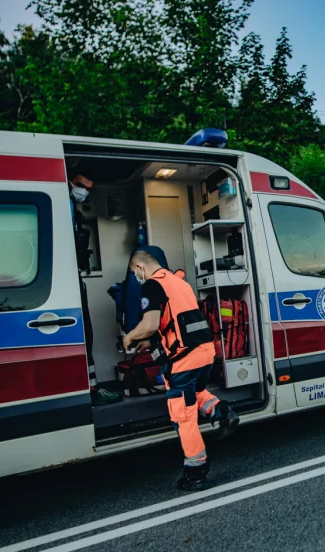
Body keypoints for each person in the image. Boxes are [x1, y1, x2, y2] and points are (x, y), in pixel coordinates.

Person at [122, 250, 239, 491]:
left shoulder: (152, 286)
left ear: (140, 267)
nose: (136, 277)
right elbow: (175, 321)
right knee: (193, 394)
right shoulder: (178, 282)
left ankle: (196, 471)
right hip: (205, 352)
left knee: (183, 417)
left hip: (184, 360)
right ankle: (222, 411)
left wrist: (131, 337)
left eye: (135, 272)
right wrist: (150, 342)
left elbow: (150, 324)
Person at [69, 174, 121, 405]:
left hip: (76, 280)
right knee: (82, 337)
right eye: (80, 186)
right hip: (69, 284)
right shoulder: (63, 205)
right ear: (70, 182)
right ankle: (89, 391)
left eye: (88, 188)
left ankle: (91, 387)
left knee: (87, 337)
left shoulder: (74, 211)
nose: (84, 192)